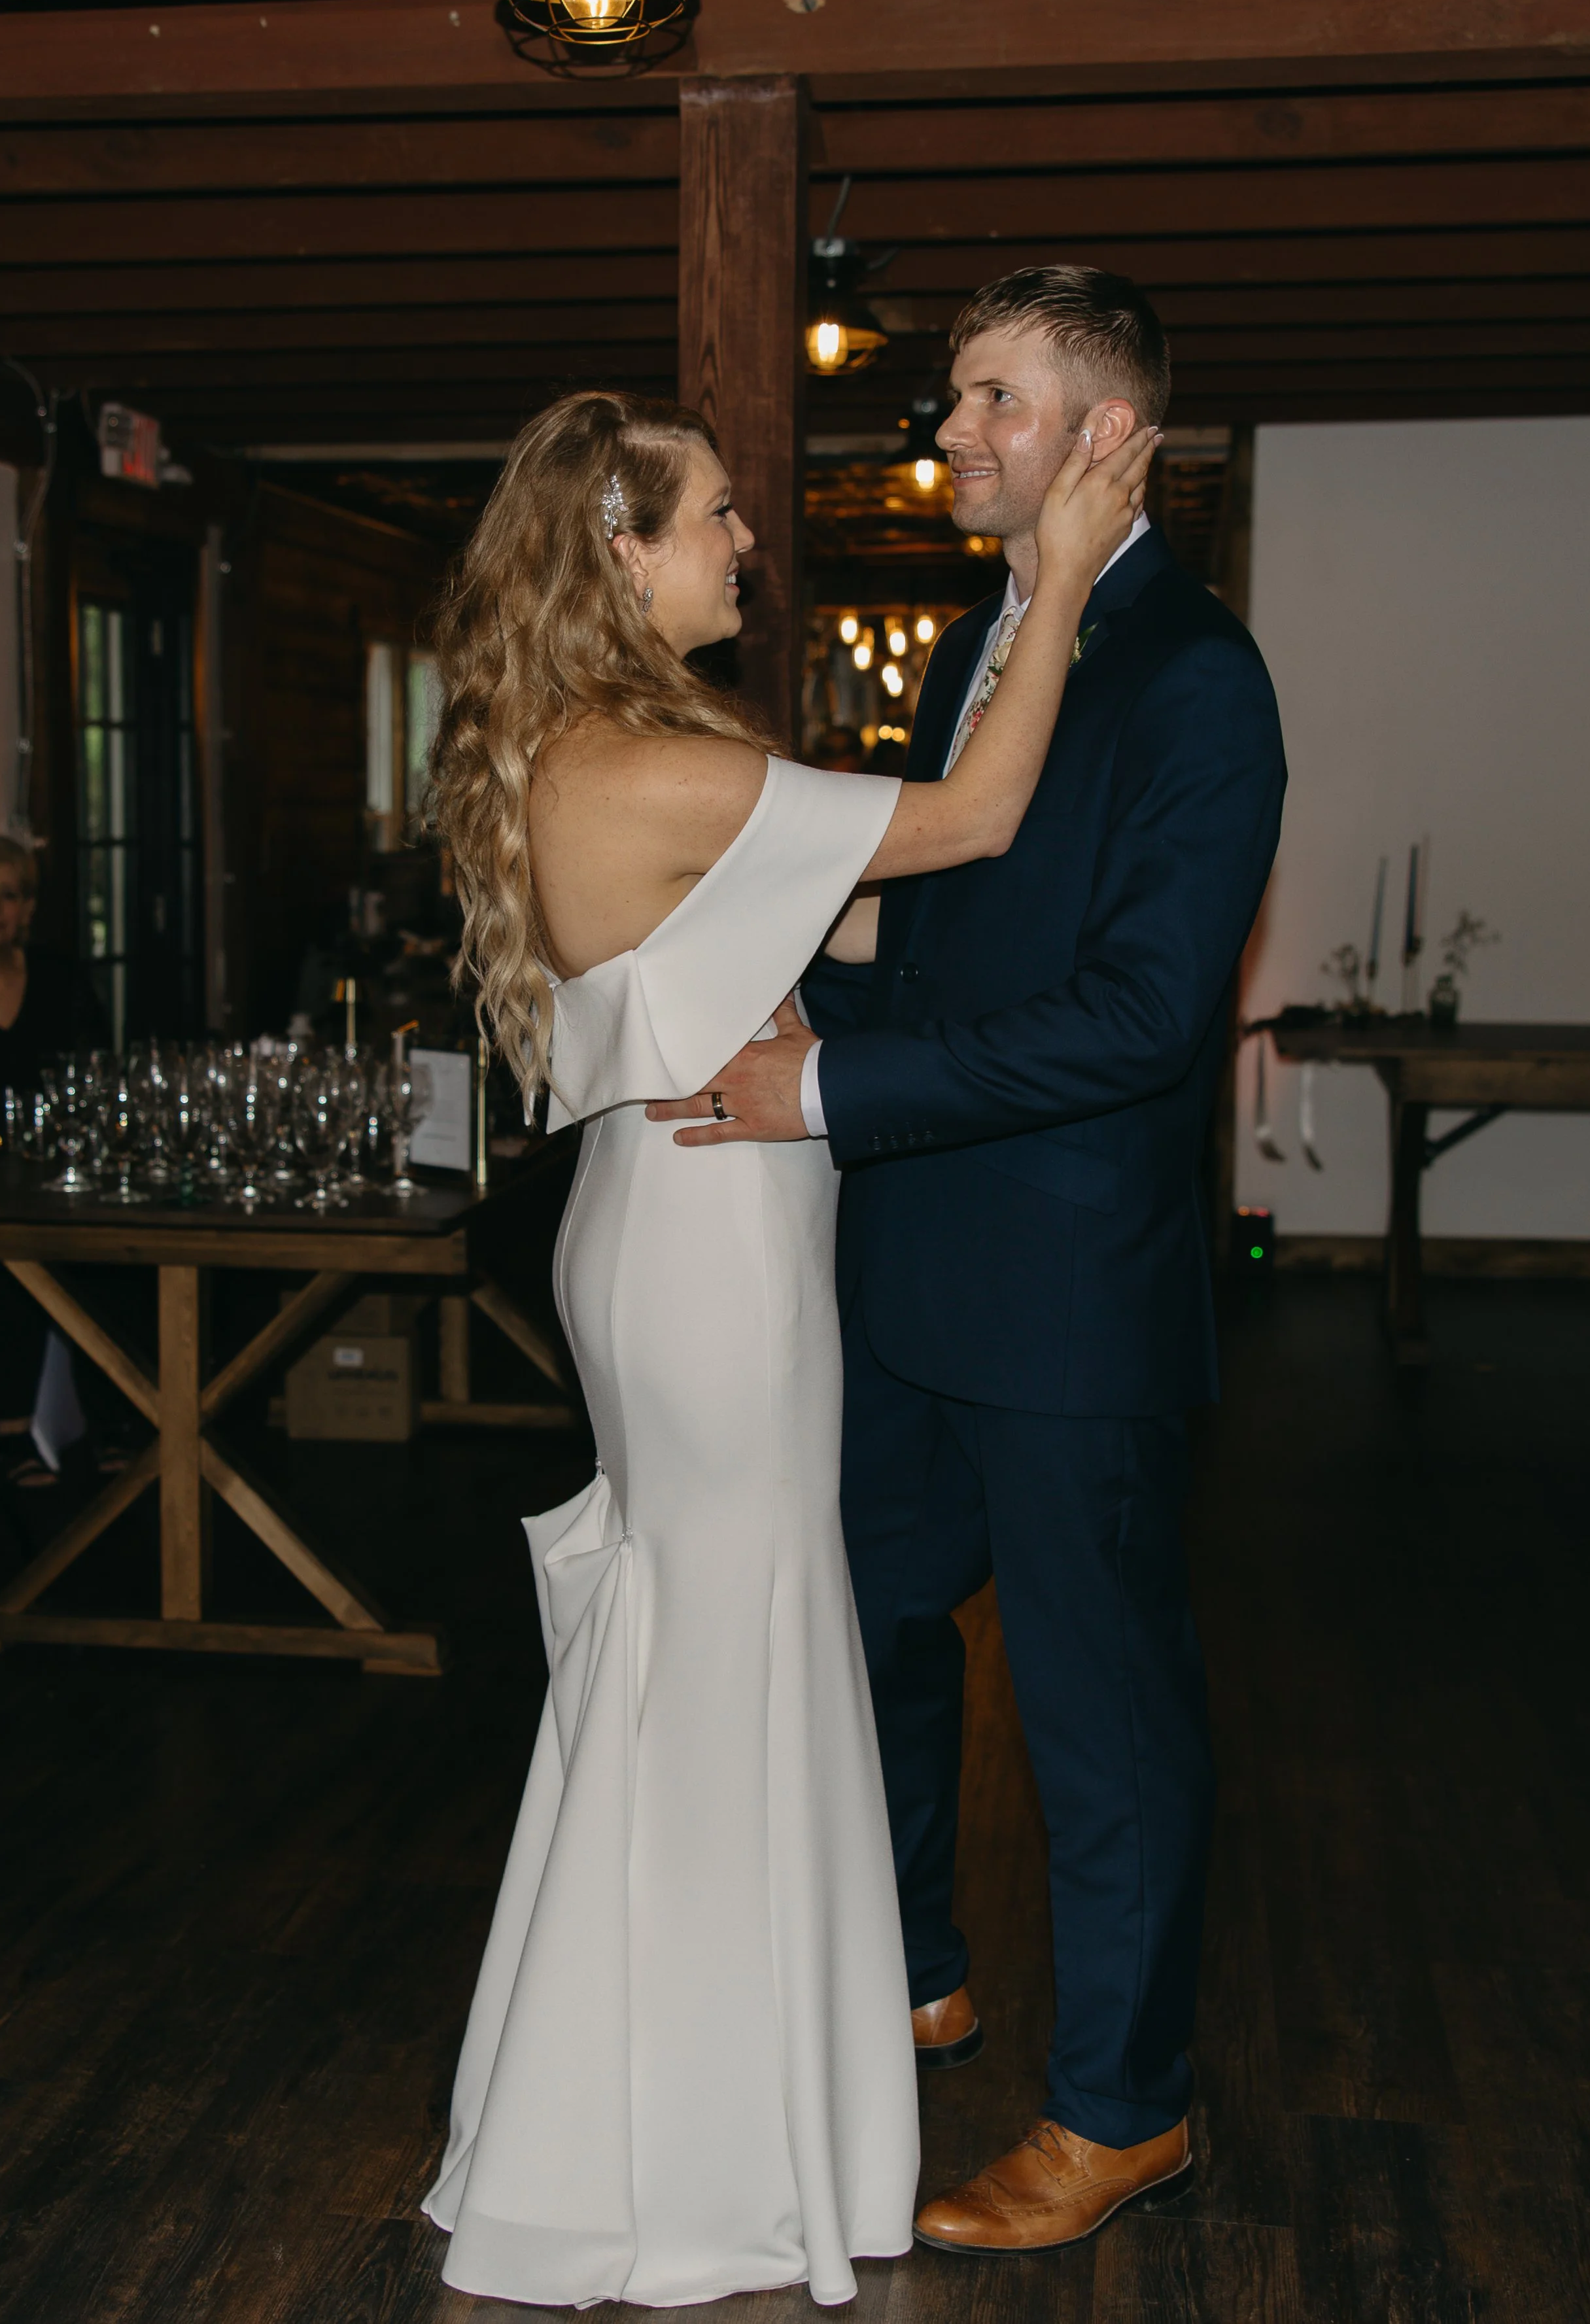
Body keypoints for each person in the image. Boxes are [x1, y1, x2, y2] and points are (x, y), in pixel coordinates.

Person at [419, 387, 1154, 2308]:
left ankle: (663, 2097)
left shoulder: (578, 748)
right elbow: (976, 815)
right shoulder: (652, 762)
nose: (745, 541)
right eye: (716, 517)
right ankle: (700, 2145)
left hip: (660, 1223)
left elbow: (788, 950)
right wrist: (1058, 575)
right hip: (711, 1254)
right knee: (729, 1652)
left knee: (696, 1651)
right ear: (617, 550)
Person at [648, 268, 1288, 2255]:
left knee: (1098, 1716)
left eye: (996, 401)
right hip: (908, 1267)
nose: (954, 435)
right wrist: (747, 947)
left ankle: (1120, 2107)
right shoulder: (968, 646)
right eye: (951, 401)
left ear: (1110, 434)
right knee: (862, 1633)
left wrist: (830, 1088)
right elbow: (943, 927)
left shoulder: (1194, 675)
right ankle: (909, 1957)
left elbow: (1139, 1020)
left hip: (1070, 1290)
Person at [0, 834, 105, 1490]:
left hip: (51, 1174)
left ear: (28, 908)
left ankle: (122, 1421)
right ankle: (10, 1428)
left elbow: (97, 1078)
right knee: (16, 1262)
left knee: (119, 1258)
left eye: (9, 894)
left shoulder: (59, 978)